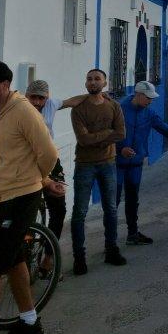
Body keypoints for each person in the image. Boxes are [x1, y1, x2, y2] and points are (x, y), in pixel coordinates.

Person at [0, 61, 61, 334]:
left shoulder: (23, 112)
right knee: (15, 259)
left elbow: (48, 153)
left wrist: (41, 181)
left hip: (21, 197)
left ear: (5, 85)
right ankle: (30, 322)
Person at [116, 82, 168, 245]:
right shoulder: (119, 109)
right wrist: (120, 149)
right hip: (117, 162)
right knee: (113, 200)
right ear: (139, 95)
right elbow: (109, 133)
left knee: (133, 198)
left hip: (135, 162)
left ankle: (133, 234)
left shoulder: (149, 113)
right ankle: (110, 242)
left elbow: (167, 130)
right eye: (148, 98)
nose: (151, 101)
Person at [23, 80, 89, 274]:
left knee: (59, 209)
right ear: (26, 96)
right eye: (32, 97)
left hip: (50, 162)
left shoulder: (51, 105)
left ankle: (49, 257)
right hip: (26, 163)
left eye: (40, 98)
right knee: (25, 209)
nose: (36, 102)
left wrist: (95, 94)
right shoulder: (19, 109)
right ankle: (23, 256)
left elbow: (71, 101)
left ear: (47, 98)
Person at [70, 69, 127, 275]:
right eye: (89, 79)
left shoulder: (114, 106)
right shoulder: (78, 109)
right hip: (84, 164)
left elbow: (121, 133)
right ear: (86, 83)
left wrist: (98, 136)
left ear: (105, 82)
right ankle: (79, 257)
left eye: (97, 79)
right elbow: (83, 140)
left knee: (111, 208)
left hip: (108, 163)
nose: (92, 82)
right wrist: (107, 133)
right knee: (79, 212)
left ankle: (111, 249)